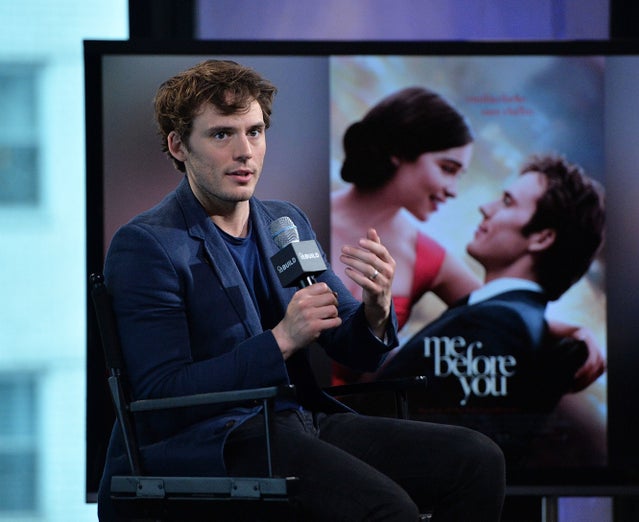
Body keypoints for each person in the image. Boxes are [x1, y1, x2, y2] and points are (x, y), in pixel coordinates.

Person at [96, 60, 505, 521]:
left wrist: (375, 307)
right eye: (221, 134)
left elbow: (355, 348)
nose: (245, 151)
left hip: (299, 421)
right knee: (388, 509)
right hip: (216, 440)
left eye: (254, 132)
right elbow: (160, 395)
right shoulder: (147, 245)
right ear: (179, 146)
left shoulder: (282, 222)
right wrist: (282, 340)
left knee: (476, 459)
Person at [331, 87, 603, 390]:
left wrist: (578, 333)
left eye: (460, 175)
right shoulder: (296, 220)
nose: (453, 190)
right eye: (447, 169)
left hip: (344, 424)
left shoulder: (429, 259)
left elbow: (501, 310)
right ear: (398, 151)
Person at [375, 153, 606, 465]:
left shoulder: (496, 324)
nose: (486, 208)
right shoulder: (501, 316)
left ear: (541, 237)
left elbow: (450, 452)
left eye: (508, 202)